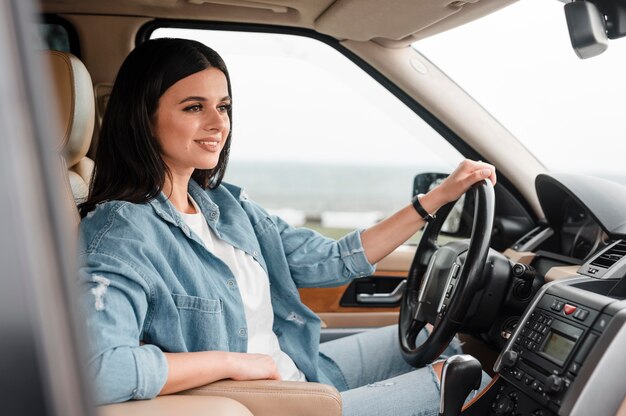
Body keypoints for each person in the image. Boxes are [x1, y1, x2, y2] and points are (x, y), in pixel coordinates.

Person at [77, 37, 496, 414]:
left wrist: (436, 198)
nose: (218, 123)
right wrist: (232, 363)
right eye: (193, 107)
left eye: (223, 106)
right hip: (267, 404)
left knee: (435, 339)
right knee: (463, 378)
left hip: (296, 372)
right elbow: (99, 370)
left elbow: (333, 258)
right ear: (143, 118)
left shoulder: (223, 206)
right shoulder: (121, 234)